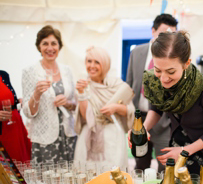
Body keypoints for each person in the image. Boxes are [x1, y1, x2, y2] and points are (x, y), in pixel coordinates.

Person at [128, 31, 203, 174]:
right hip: (176, 149)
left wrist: (184, 151)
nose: (163, 78)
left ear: (186, 63)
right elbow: (156, 109)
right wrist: (141, 129)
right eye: (158, 70)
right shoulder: (154, 81)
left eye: (170, 72)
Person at [126, 13, 177, 172]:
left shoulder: (173, 57)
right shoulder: (137, 52)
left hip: (164, 120)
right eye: (163, 33)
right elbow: (130, 84)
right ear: (153, 31)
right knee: (140, 165)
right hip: (139, 118)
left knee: (166, 167)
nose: (167, 38)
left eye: (172, 34)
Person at [73, 46, 135, 171]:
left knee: (113, 175)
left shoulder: (117, 85)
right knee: (88, 175)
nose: (92, 65)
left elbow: (130, 110)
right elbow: (86, 117)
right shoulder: (83, 85)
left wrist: (116, 107)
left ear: (105, 64)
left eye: (97, 62)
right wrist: (81, 93)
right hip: (90, 136)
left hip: (113, 137)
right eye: (89, 61)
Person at [22, 25, 77, 164]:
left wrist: (68, 103)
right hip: (45, 138)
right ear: (39, 47)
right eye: (45, 43)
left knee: (70, 179)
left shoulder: (67, 70)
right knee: (48, 181)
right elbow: (28, 113)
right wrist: (36, 94)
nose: (50, 48)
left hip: (68, 135)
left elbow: (75, 105)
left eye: (54, 43)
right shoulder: (30, 72)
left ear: (59, 46)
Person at [0, 70, 31, 163]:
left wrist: (18, 102)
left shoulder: (3, 75)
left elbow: (9, 100)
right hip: (3, 133)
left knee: (22, 165)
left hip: (15, 126)